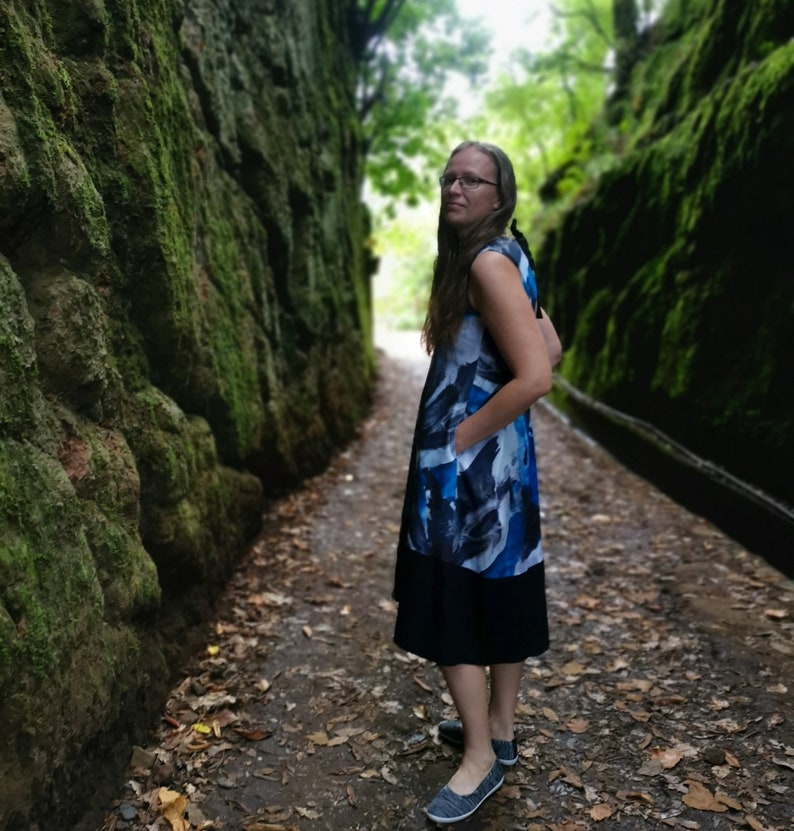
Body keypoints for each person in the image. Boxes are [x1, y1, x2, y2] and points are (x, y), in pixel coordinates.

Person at [392, 140, 562, 825]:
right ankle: (500, 729)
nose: (456, 187)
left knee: (451, 599)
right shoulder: (509, 254)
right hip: (502, 464)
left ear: (500, 193)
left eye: (473, 179)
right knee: (502, 585)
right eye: (449, 177)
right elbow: (546, 344)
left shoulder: (487, 264)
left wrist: (462, 434)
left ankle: (480, 760)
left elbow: (538, 375)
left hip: (465, 469)